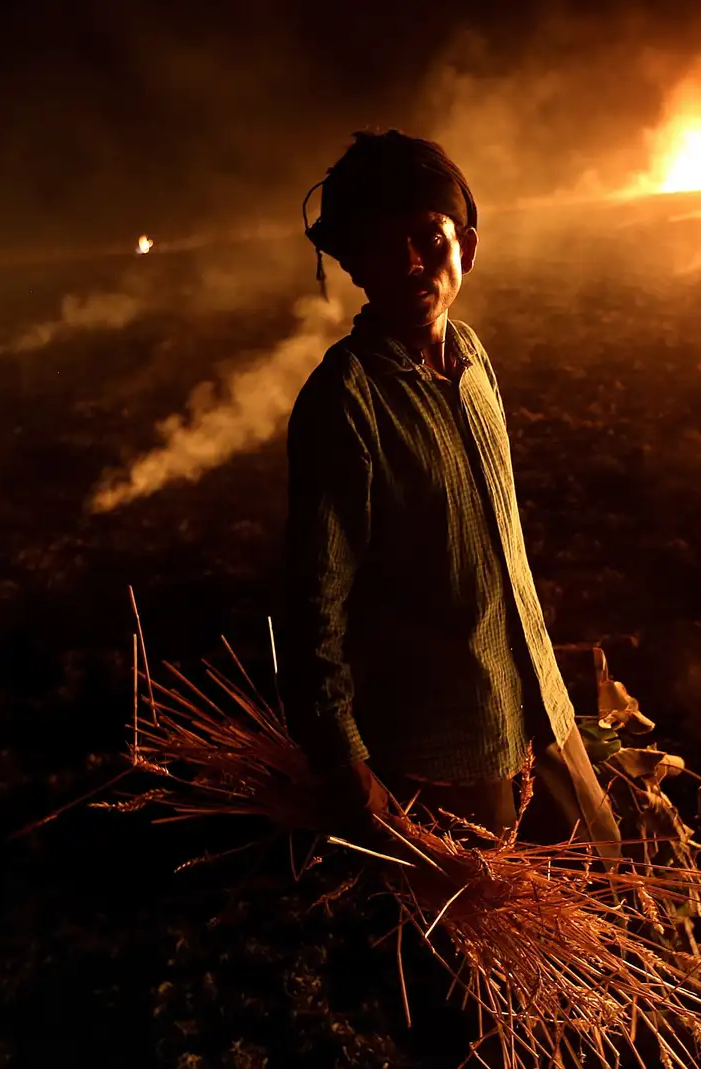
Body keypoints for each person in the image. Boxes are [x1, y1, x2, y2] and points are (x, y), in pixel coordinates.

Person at [281, 130, 620, 852]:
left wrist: (549, 708)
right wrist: (344, 762)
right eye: (381, 245)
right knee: (482, 947)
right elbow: (313, 602)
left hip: (537, 711)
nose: (410, 263)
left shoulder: (472, 358)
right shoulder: (346, 401)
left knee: (611, 871)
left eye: (427, 238)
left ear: (467, 244)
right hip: (443, 757)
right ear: (353, 265)